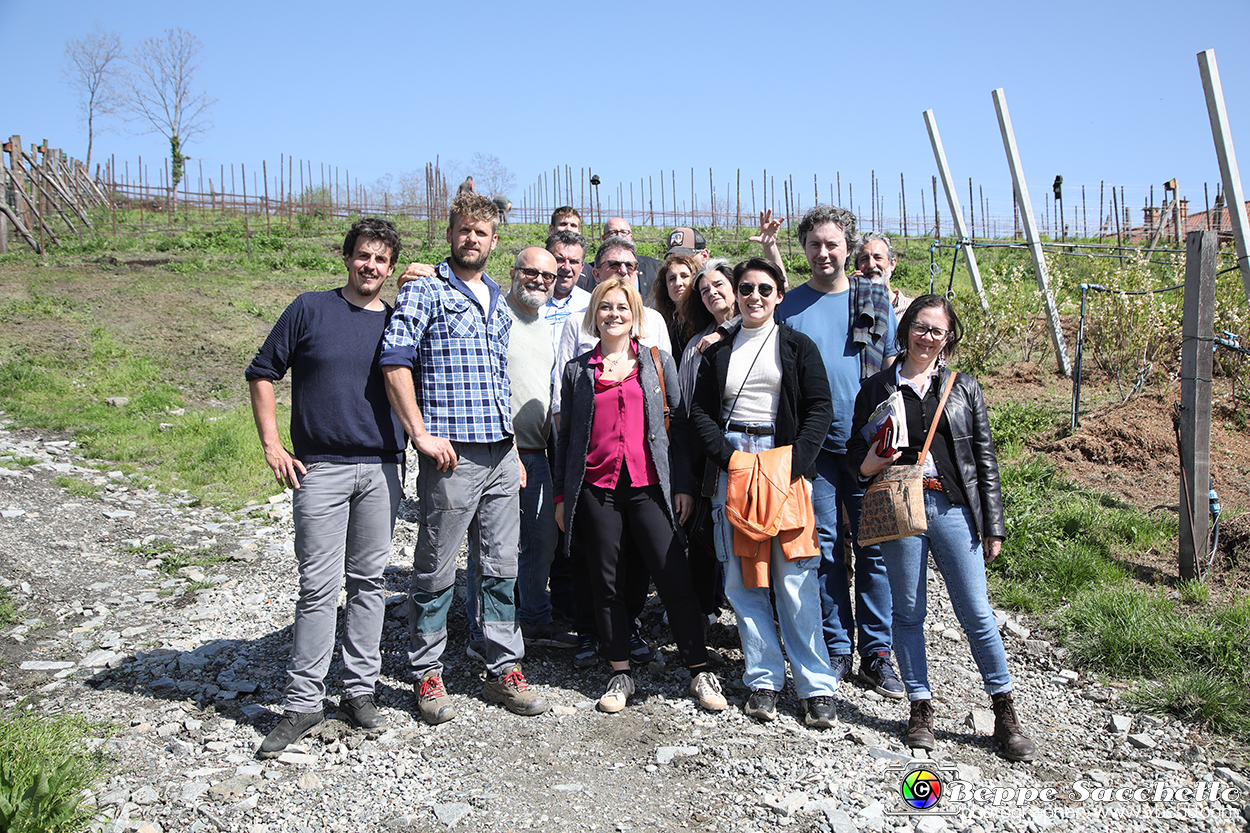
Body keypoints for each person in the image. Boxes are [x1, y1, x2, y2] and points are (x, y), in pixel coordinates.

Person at [381, 192, 549, 725]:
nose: (472, 238)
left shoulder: (499, 299)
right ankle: (427, 671)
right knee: (435, 563)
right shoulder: (426, 291)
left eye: (482, 231)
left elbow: (498, 380)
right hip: (451, 453)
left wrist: (515, 453)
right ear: (450, 233)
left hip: (501, 452)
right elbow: (395, 362)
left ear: (494, 240)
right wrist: (420, 434)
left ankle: (503, 666)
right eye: (463, 229)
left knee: (501, 564)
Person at [848, 294, 1036, 762]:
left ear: (949, 337)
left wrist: (993, 525)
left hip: (952, 507)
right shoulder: (875, 388)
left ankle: (1005, 709)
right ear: (904, 327)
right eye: (919, 326)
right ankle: (920, 707)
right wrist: (873, 459)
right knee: (908, 613)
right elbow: (856, 457)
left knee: (976, 612)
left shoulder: (962, 387)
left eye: (937, 330)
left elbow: (984, 460)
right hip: (897, 505)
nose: (927, 337)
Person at [245, 218, 405, 757]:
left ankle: (359, 693)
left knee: (369, 583)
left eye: (382, 259)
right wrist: (272, 446)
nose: (371, 266)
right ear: (347, 258)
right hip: (321, 470)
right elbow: (262, 371)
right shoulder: (310, 309)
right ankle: (303, 702)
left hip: (383, 469)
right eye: (364, 256)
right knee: (318, 587)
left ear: (390, 267)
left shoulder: (400, 320)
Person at [554, 276, 727, 714]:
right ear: (595, 314)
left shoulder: (655, 360)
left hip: (651, 486)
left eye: (622, 307)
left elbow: (682, 426)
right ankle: (619, 672)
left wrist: (684, 484)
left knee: (673, 576)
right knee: (606, 581)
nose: (614, 314)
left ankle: (698, 668)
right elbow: (567, 437)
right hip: (597, 489)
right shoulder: (578, 371)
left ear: (635, 315)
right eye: (606, 307)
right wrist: (560, 497)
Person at [761, 205, 907, 700]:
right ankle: (837, 644)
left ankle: (879, 653)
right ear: (803, 251)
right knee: (823, 549)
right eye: (814, 245)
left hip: (868, 446)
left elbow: (892, 373)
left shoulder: (873, 301)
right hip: (814, 449)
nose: (824, 253)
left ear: (848, 248)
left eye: (832, 244)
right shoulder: (789, 306)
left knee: (875, 549)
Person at [689, 257, 839, 728]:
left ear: (779, 294)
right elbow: (700, 414)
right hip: (735, 466)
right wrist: (730, 461)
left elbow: (820, 409)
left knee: (795, 578)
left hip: (784, 463)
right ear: (737, 293)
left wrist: (793, 466)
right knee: (743, 577)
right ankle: (762, 678)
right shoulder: (718, 352)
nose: (755, 296)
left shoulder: (798, 347)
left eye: (765, 289)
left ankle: (815, 685)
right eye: (747, 288)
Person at [552, 235, 671, 670]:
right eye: (612, 264)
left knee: (637, 554)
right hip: (591, 460)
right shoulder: (577, 322)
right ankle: (590, 631)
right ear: (597, 270)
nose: (621, 271)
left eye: (629, 265)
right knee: (591, 555)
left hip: (641, 466)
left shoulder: (654, 322)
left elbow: (663, 401)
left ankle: (627, 626)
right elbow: (565, 398)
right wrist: (568, 479)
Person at [463, 247, 575, 652]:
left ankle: (531, 619)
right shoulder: (494, 318)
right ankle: (482, 632)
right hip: (498, 451)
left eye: (548, 276)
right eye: (531, 273)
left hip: (537, 451)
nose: (540, 281)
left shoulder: (544, 326)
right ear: (513, 273)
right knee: (491, 547)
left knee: (542, 541)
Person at [574, 217, 661, 299]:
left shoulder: (653, 267)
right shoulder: (587, 272)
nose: (623, 271)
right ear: (597, 274)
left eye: (624, 232)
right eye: (614, 265)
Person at [541, 229, 592, 350]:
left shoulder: (591, 304)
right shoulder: (528, 302)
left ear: (582, 267)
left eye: (574, 262)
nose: (567, 267)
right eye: (560, 260)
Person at [648, 253, 700, 362]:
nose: (678, 283)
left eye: (684, 276)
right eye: (672, 279)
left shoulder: (707, 318)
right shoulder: (664, 323)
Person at [856, 232, 911, 317]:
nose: (871, 265)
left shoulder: (911, 309)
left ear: (892, 264)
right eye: (864, 259)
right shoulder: (851, 309)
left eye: (878, 258)